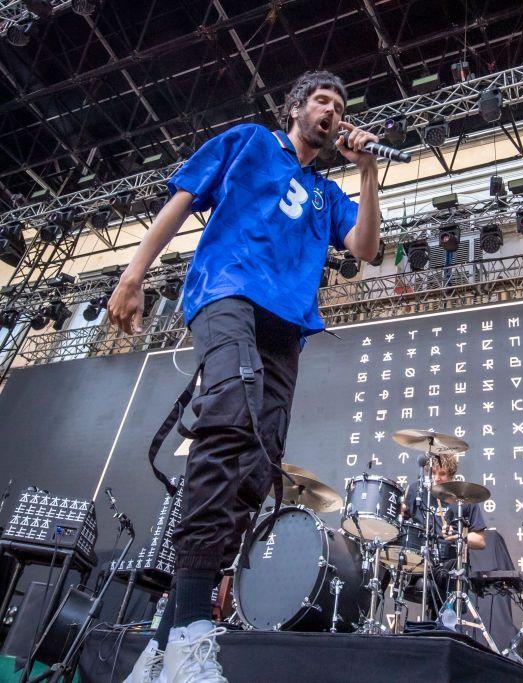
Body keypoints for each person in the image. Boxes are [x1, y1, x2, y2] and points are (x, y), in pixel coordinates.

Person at [108, 70, 381, 683]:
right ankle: (192, 632)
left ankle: (162, 645)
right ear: (295, 109)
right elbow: (181, 199)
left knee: (257, 467)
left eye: (339, 104)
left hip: (288, 326)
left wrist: (365, 170)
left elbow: (364, 249)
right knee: (229, 418)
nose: (331, 111)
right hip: (227, 293)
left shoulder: (328, 192)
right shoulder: (249, 142)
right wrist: (133, 274)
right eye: (321, 100)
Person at [403, 452, 486, 620]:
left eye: (442, 474)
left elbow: (480, 541)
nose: (436, 478)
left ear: (451, 475)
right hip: (420, 560)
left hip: (451, 562)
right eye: (432, 473)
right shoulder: (416, 490)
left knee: (450, 578)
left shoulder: (464, 497)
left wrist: (459, 536)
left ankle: (445, 628)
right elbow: (401, 515)